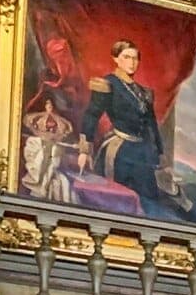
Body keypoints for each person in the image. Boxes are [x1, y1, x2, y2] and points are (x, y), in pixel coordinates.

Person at [79, 40, 190, 219]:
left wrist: (160, 155)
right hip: (118, 151)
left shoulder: (143, 92)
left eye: (135, 58)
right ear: (116, 59)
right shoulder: (108, 84)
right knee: (117, 203)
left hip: (142, 153)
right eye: (127, 57)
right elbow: (92, 115)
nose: (132, 62)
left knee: (148, 202)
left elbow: (152, 126)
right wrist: (84, 150)